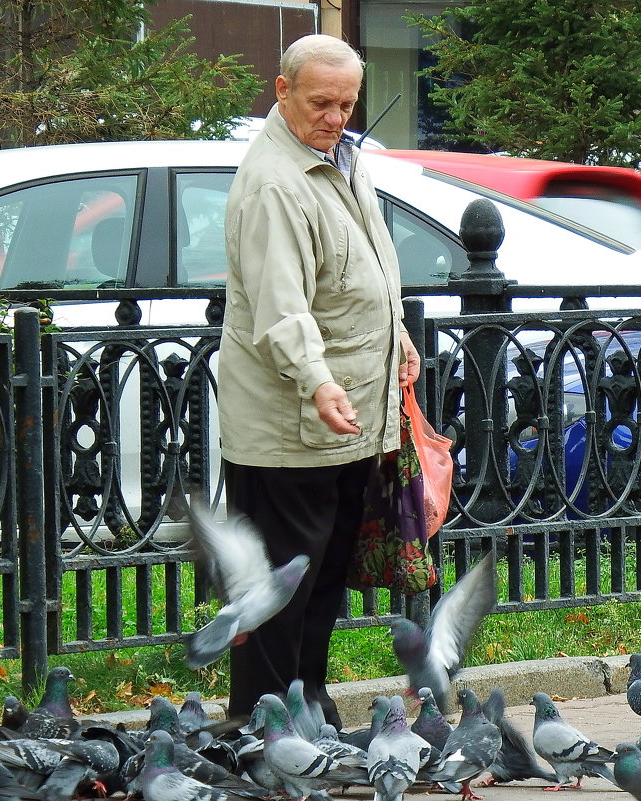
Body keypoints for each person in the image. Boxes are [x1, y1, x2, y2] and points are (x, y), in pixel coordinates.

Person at [218, 33, 420, 728]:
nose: (336, 117)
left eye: (346, 103)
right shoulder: (276, 181)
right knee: (278, 589)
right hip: (290, 426)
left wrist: (398, 337)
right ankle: (264, 723)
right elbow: (281, 307)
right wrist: (315, 380)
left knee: (324, 576)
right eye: (321, 103)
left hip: (345, 417)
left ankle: (310, 711)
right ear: (281, 92)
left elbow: (365, 263)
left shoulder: (338, 157)